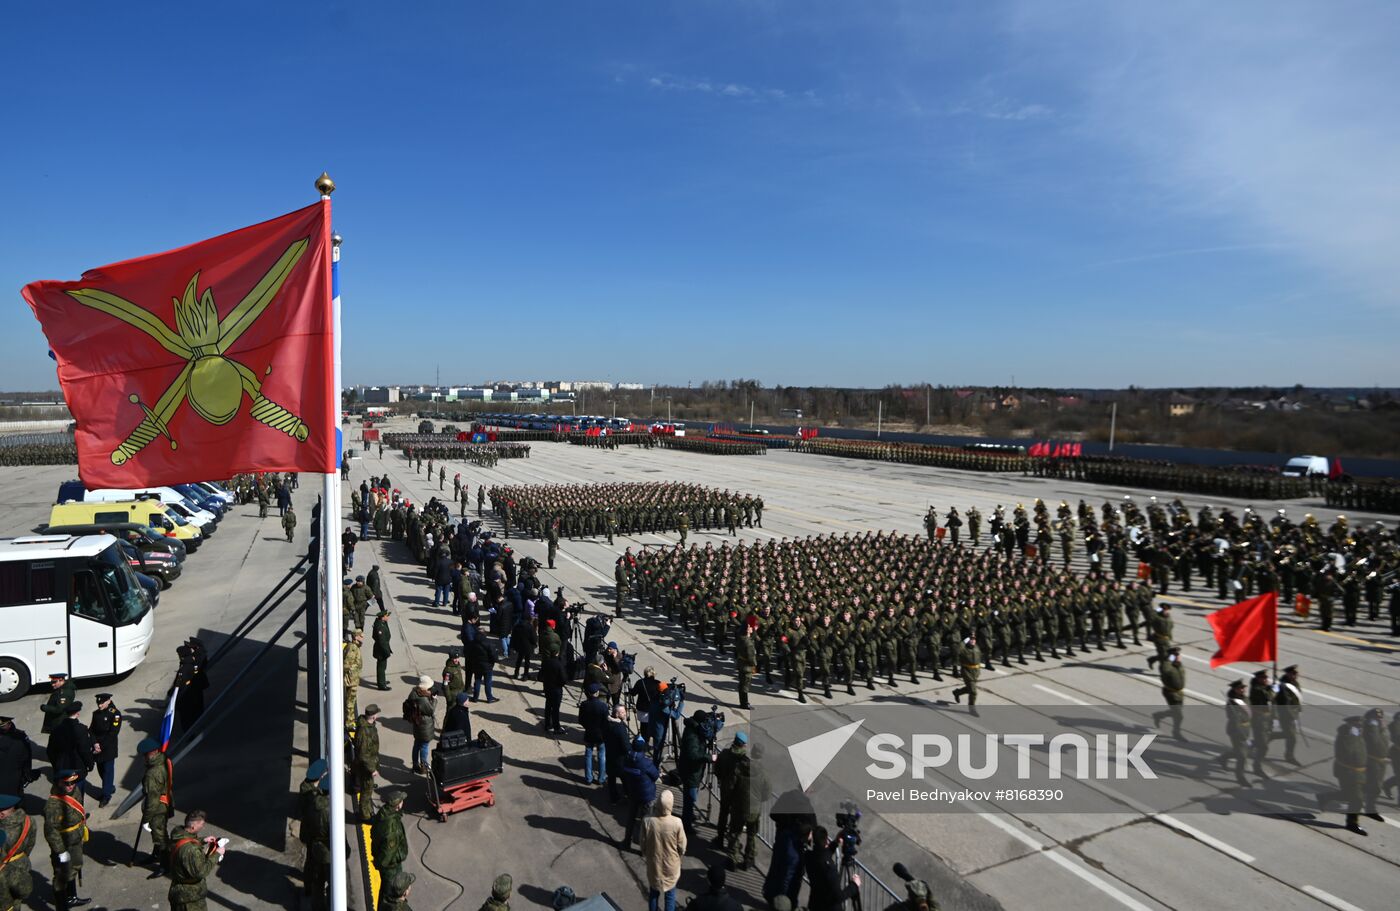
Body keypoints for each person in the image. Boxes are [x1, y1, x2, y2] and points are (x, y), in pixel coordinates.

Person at [44, 770, 90, 909]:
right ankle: (61, 906)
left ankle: (72, 897)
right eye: (67, 783)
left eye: (73, 782)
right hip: (64, 844)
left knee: (74, 868)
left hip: (76, 840)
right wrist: (60, 851)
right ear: (58, 782)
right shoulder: (53, 805)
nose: (71, 786)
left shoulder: (74, 791)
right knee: (61, 876)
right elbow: (51, 831)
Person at [1318, 715, 1370, 835]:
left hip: (1359, 772)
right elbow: (1347, 752)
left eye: (1361, 725)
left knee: (1348, 795)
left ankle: (1325, 797)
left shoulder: (1358, 735)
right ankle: (1352, 824)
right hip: (1347, 771)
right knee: (1357, 798)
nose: (1361, 727)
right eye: (1358, 725)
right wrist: (1352, 735)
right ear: (1350, 724)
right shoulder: (1345, 736)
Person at [167, 809, 225, 911]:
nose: (203, 826)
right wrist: (217, 854)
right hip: (190, 899)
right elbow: (200, 872)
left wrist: (203, 840)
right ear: (193, 826)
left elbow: (185, 841)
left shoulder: (177, 832)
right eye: (201, 824)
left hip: (177, 892)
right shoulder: (192, 850)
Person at [641, 789, 687, 911]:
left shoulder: (647, 821)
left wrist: (647, 854)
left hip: (654, 865)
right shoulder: (677, 823)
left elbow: (642, 843)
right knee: (670, 896)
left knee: (653, 894)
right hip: (671, 865)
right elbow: (682, 846)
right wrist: (679, 856)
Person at [804, 826, 861, 911]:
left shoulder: (809, 857)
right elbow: (839, 897)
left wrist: (835, 843)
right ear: (827, 840)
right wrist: (854, 885)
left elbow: (822, 854)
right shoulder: (829, 869)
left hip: (815, 905)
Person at [139, 737, 174, 870]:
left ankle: (165, 866)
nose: (143, 758)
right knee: (160, 833)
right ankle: (156, 854)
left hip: (158, 809)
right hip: (166, 801)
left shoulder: (152, 773)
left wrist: (146, 819)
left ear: (151, 753)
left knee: (160, 837)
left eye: (144, 755)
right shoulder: (164, 760)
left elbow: (152, 799)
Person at [620, 735, 660, 848]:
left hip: (633, 792)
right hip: (647, 796)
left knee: (631, 819)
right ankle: (644, 847)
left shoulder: (627, 759)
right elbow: (655, 775)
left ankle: (626, 841)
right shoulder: (645, 762)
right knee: (646, 822)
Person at [0, 792, 37, 911]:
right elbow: (30, 844)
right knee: (17, 901)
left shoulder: (3, 833)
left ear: (1, 814)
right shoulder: (28, 820)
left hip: (5, 871)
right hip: (23, 864)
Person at [45, 702, 94, 791]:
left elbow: (50, 751)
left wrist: (56, 765)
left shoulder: (56, 730)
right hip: (77, 769)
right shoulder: (81, 729)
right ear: (78, 713)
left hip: (61, 769)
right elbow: (85, 751)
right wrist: (90, 764)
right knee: (77, 798)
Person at [676, 711, 709, 838]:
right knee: (689, 798)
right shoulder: (692, 736)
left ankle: (689, 816)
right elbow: (693, 755)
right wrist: (708, 757)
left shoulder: (693, 729)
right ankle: (687, 824)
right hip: (690, 772)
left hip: (693, 771)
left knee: (691, 797)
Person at [87, 693, 122, 807]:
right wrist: (94, 743)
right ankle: (110, 787)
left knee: (107, 772)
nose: (99, 705)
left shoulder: (115, 714)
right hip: (97, 747)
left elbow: (113, 733)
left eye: (102, 703)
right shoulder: (96, 714)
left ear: (109, 701)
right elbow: (91, 731)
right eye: (98, 703)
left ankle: (106, 796)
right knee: (101, 771)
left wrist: (100, 746)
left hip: (108, 748)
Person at [370, 789, 408, 883]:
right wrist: (379, 864)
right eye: (402, 800)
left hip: (382, 859)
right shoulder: (392, 828)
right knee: (393, 890)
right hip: (391, 868)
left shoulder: (382, 813)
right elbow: (387, 854)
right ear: (398, 805)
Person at [1151, 648, 1186, 741]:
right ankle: (1176, 732)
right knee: (1179, 715)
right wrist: (1169, 659)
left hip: (1180, 693)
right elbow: (1166, 670)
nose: (1179, 657)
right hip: (1171, 693)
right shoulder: (1165, 666)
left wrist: (1177, 662)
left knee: (1176, 713)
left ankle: (1158, 715)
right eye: (1176, 655)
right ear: (1171, 656)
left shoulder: (1177, 665)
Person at [355, 707, 382, 823]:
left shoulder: (368, 727)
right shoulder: (365, 732)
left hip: (369, 764)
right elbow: (363, 755)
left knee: (367, 789)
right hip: (366, 767)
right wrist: (372, 769)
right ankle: (365, 816)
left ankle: (365, 811)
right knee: (366, 792)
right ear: (373, 716)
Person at [579, 685, 610, 785]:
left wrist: (588, 727)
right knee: (601, 755)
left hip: (589, 733)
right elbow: (606, 722)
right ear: (597, 693)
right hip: (600, 734)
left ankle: (588, 778)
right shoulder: (603, 706)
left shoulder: (584, 705)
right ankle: (601, 778)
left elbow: (581, 720)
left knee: (588, 755)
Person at [405, 677, 436, 774]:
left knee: (417, 744)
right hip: (424, 725)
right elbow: (430, 710)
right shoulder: (423, 699)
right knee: (424, 746)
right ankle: (424, 766)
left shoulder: (414, 693)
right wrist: (434, 700)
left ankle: (415, 764)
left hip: (417, 723)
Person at [604, 706, 631, 803]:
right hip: (620, 758)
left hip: (610, 754)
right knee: (624, 777)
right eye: (622, 712)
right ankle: (628, 794)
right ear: (616, 714)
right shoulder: (620, 728)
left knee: (611, 778)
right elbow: (625, 745)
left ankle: (614, 798)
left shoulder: (607, 723)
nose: (625, 713)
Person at [372, 608, 393, 691]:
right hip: (381, 649)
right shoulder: (380, 626)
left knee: (382, 667)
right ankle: (381, 685)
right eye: (386, 616)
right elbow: (381, 641)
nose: (388, 617)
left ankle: (382, 680)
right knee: (381, 667)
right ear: (382, 617)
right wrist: (386, 651)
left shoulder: (382, 623)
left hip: (382, 648)